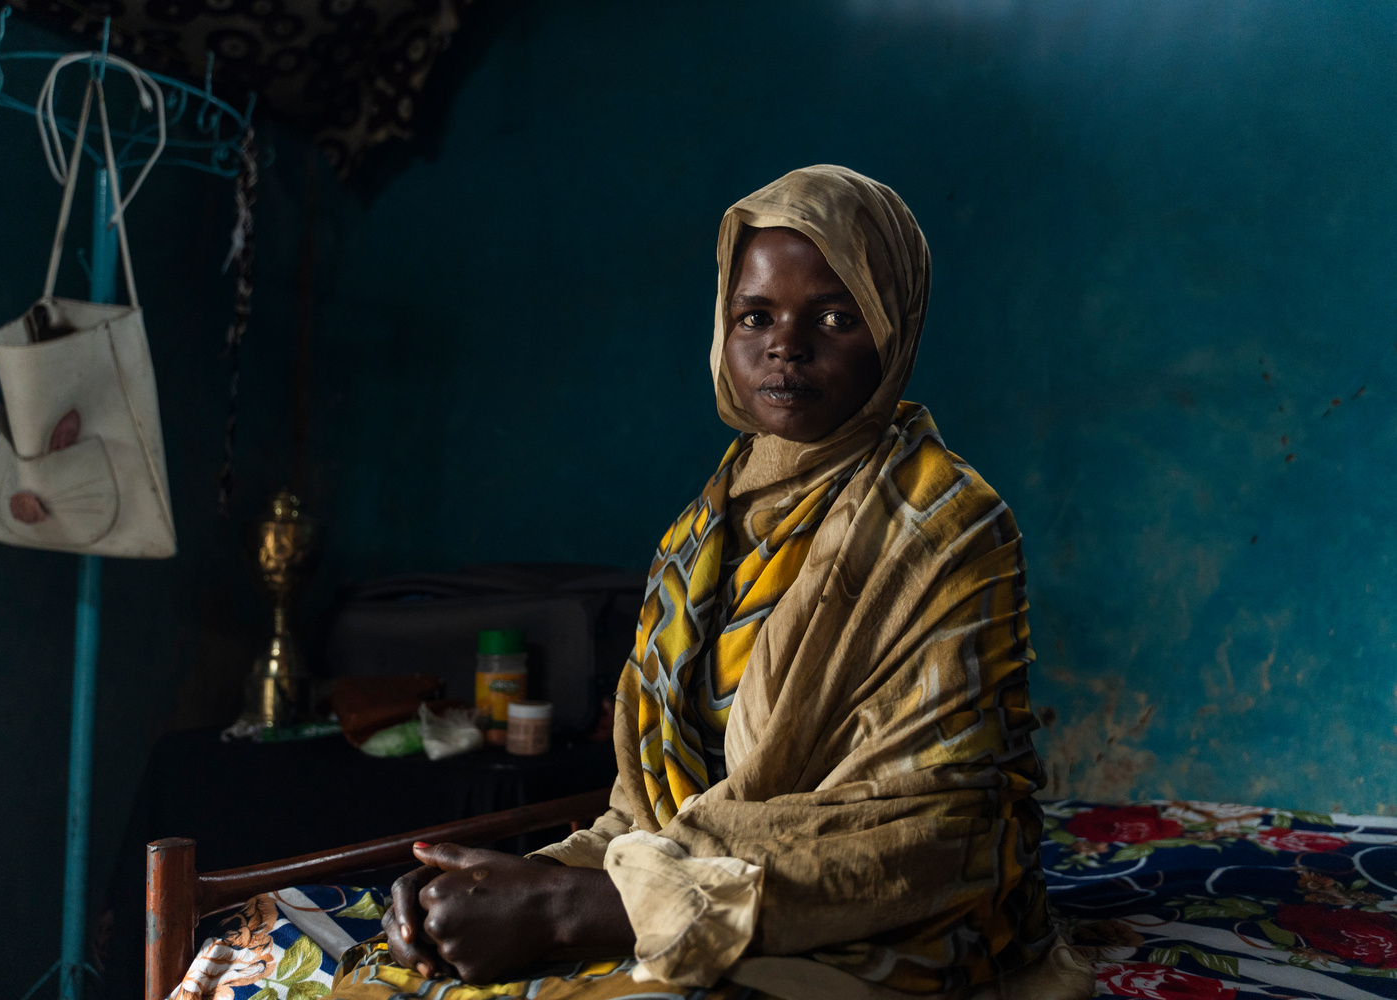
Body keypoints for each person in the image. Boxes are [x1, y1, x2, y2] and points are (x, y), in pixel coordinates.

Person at [330, 166, 1093, 999]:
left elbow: (940, 832)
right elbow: (645, 818)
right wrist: (496, 887)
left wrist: (577, 910)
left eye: (835, 317)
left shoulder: (950, 527)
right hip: (682, 883)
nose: (786, 345)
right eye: (754, 316)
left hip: (899, 909)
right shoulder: (695, 539)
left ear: (893, 330)